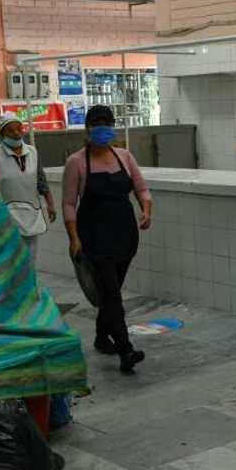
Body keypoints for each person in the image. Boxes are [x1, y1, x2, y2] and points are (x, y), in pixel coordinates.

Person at [62, 106, 152, 373]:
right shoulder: (76, 162)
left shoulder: (124, 156)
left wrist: (146, 210)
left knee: (110, 293)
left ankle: (102, 338)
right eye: (97, 123)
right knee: (112, 295)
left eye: (107, 123)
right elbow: (68, 204)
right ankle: (125, 350)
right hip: (95, 237)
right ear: (88, 129)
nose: (103, 128)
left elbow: (141, 187)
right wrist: (73, 238)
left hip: (125, 235)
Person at [0, 113, 56, 260]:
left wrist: (50, 204)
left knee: (30, 258)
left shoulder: (32, 152)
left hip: (31, 214)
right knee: (9, 260)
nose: (16, 133)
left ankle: (30, 283)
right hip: (6, 216)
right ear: (2, 134)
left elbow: (41, 181)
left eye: (19, 129)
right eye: (10, 130)